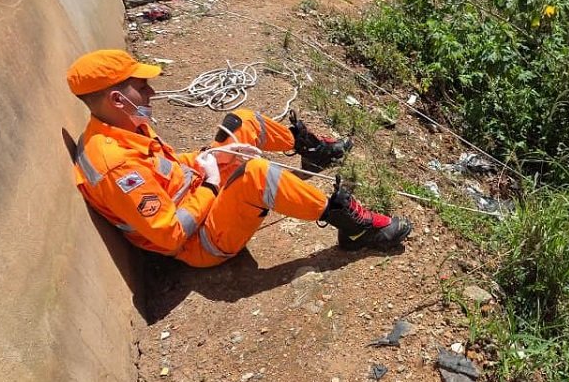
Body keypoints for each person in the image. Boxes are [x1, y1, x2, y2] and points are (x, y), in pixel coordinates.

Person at [66, 49, 412, 267]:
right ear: (117, 99)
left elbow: (166, 167)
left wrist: (210, 156)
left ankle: (313, 151)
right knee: (258, 174)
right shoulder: (116, 166)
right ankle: (355, 229)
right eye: (142, 87)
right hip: (199, 242)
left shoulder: (122, 125)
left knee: (241, 122)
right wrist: (212, 183)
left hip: (198, 196)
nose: (151, 92)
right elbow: (170, 234)